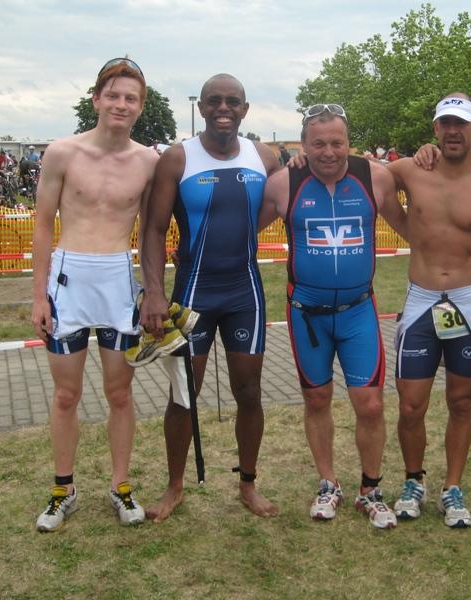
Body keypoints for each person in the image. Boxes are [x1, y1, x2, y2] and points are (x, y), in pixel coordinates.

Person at [140, 73, 281, 522]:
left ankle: (248, 484)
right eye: (215, 101)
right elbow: (153, 230)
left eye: (232, 101)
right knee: (184, 394)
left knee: (249, 392)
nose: (224, 108)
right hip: (193, 292)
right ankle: (174, 487)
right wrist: (154, 292)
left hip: (245, 292)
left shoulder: (265, 156)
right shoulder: (178, 158)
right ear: (201, 108)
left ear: (245, 108)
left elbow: (284, 200)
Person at [260, 103, 408, 528]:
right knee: (317, 398)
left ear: (349, 143)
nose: (329, 152)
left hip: (358, 311)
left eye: (337, 143)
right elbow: (240, 231)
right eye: (319, 144)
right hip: (307, 315)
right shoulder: (284, 183)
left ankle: (370, 489)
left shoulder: (374, 177)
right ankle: (328, 483)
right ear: (303, 146)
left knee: (371, 404)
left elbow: (413, 227)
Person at [31, 57, 159, 532]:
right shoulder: (63, 152)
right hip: (69, 282)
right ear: (97, 99)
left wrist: (152, 292)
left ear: (140, 107)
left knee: (119, 393)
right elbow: (43, 226)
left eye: (131, 98)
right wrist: (38, 295)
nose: (121, 104)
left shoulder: (148, 162)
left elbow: (150, 232)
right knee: (66, 394)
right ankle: (62, 490)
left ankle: (121, 487)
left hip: (117, 283)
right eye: (114, 95)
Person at [390, 94, 471, 528]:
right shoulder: (410, 170)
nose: (453, 131)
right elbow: (363, 175)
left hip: (469, 303)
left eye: (461, 123)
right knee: (410, 406)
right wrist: (296, 161)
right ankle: (413, 481)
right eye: (445, 123)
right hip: (421, 300)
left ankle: (452, 487)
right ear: (435, 128)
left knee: (461, 402)